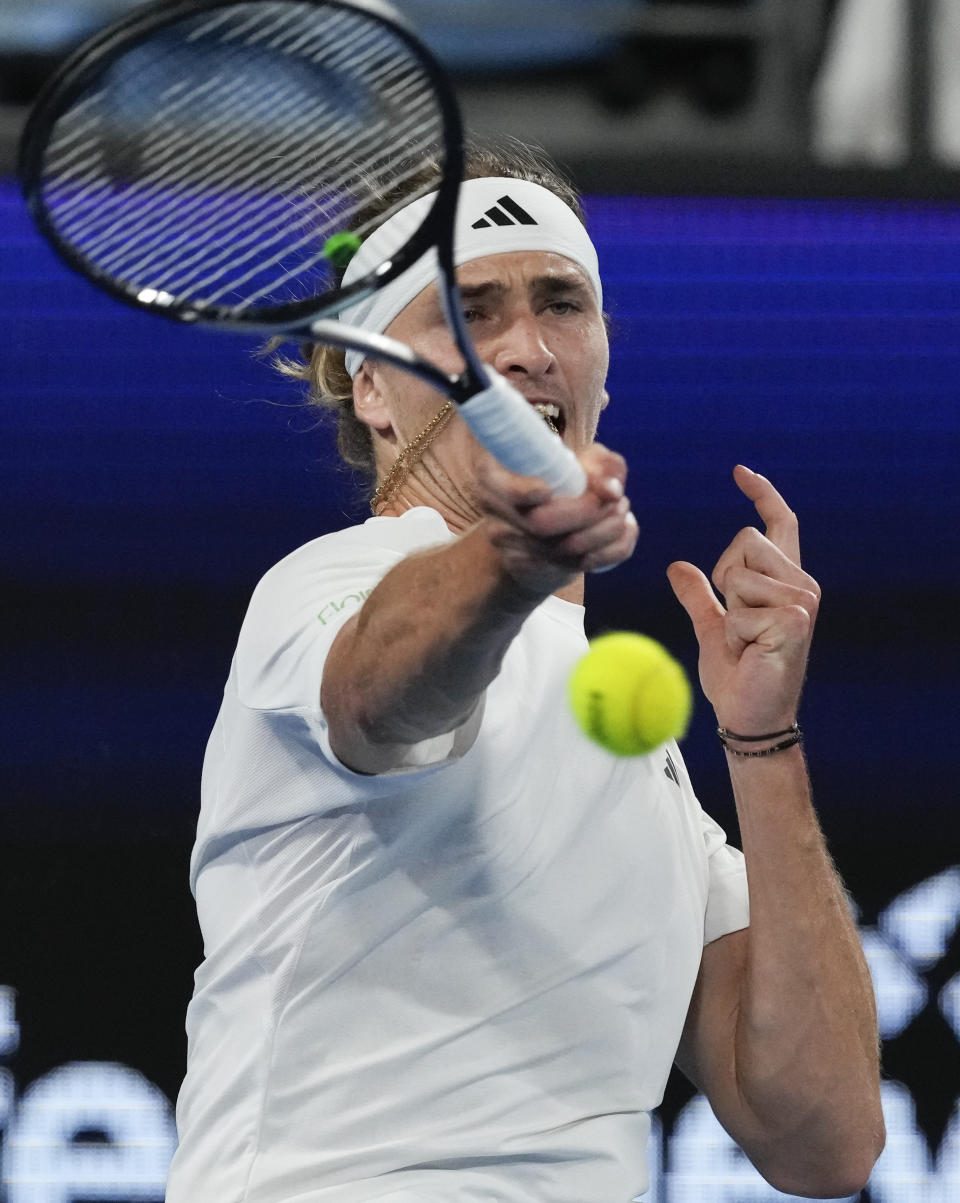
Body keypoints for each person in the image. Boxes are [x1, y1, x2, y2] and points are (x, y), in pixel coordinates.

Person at [164, 143, 884, 1203]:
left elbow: (825, 1142)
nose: (527, 349)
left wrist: (763, 742)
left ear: (601, 356)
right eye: (472, 314)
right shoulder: (328, 589)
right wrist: (516, 554)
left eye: (561, 304)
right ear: (372, 387)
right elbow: (379, 696)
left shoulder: (651, 784)